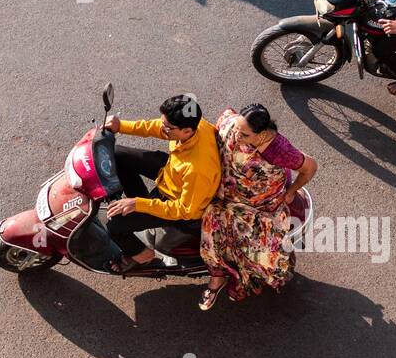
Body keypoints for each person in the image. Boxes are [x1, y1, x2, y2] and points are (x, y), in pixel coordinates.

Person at [198, 105, 317, 310]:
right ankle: (217, 277)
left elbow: (310, 167)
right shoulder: (232, 124)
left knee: (256, 248)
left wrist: (291, 192)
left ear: (261, 134)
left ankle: (247, 278)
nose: (236, 135)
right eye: (236, 128)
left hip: (260, 206)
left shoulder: (278, 150)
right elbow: (226, 114)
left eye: (244, 134)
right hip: (226, 197)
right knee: (211, 231)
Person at [102, 94, 220, 274]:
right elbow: (158, 127)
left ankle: (141, 255)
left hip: (177, 205)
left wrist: (138, 204)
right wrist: (121, 126)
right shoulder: (195, 125)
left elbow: (186, 211)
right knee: (117, 155)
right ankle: (139, 210)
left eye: (168, 128)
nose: (163, 129)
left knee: (114, 225)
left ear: (187, 131)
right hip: (172, 173)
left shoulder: (199, 169)